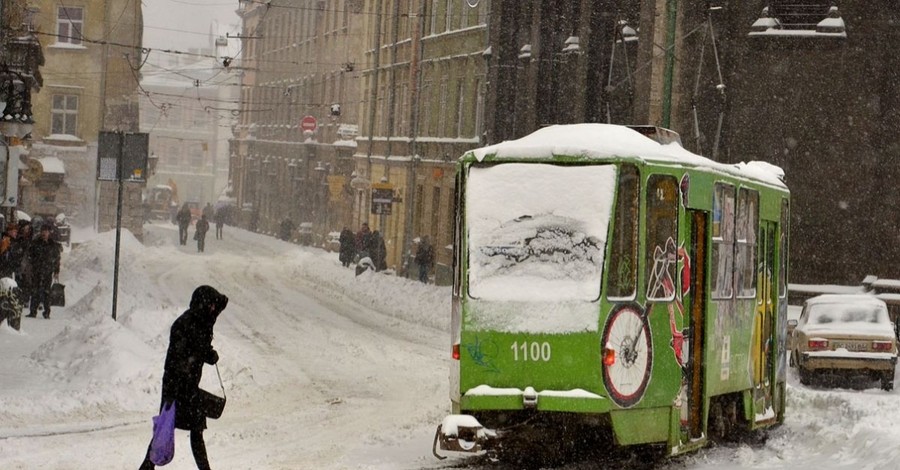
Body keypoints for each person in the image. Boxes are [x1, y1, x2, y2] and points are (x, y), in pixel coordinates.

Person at [139, 285, 229, 470]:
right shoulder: (184, 324)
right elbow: (181, 356)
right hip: (176, 388)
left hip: (189, 388)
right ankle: (146, 468)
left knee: (196, 432)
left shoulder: (201, 323)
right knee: (164, 430)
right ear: (202, 304)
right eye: (210, 305)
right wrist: (205, 353)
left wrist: (208, 353)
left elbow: (198, 348)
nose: (213, 309)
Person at [26, 224, 61, 319]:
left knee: (47, 292)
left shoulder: (53, 245)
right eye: (43, 231)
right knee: (35, 291)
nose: (44, 233)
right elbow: (30, 256)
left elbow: (57, 259)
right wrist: (32, 267)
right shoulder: (35, 243)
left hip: (47, 271)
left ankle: (47, 312)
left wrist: (56, 271)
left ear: (49, 233)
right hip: (37, 270)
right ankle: (33, 311)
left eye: (46, 231)